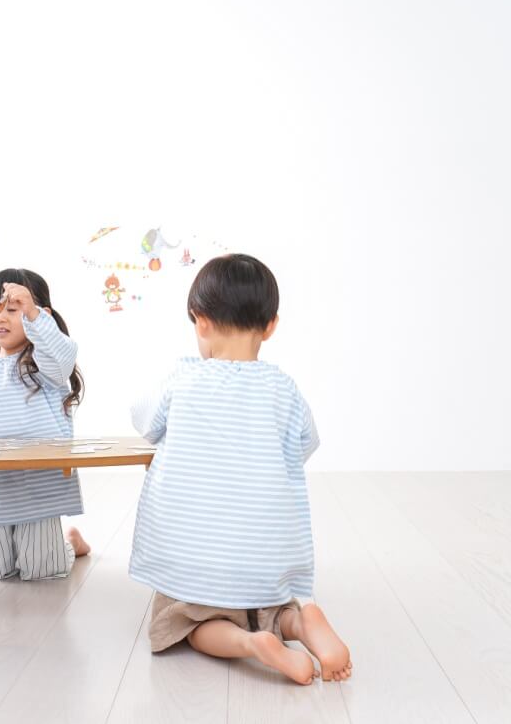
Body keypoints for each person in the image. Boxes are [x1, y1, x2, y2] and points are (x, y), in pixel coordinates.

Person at [129, 253, 351, 684]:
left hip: (194, 560)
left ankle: (252, 646)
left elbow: (143, 421)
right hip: (266, 560)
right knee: (268, 608)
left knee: (188, 624)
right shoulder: (282, 387)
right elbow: (306, 444)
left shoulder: (183, 378)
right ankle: (297, 624)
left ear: (201, 321)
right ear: (271, 326)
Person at [0, 269, 90, 580]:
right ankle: (22, 546)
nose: (0, 318)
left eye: (12, 310)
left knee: (42, 570)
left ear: (40, 315)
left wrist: (34, 315)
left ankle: (69, 543)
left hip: (38, 487)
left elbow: (65, 355)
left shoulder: (45, 363)